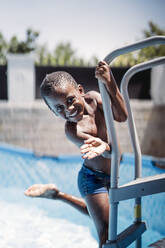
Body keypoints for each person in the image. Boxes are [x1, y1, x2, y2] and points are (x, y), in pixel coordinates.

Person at [25, 61, 128, 247]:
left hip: (110, 173)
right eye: (60, 108)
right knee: (106, 232)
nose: (69, 109)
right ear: (54, 113)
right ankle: (57, 195)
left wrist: (110, 82)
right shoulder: (72, 131)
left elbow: (121, 116)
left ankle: (57, 195)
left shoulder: (95, 99)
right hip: (92, 180)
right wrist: (104, 148)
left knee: (98, 213)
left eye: (70, 100)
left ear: (80, 90)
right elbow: (111, 155)